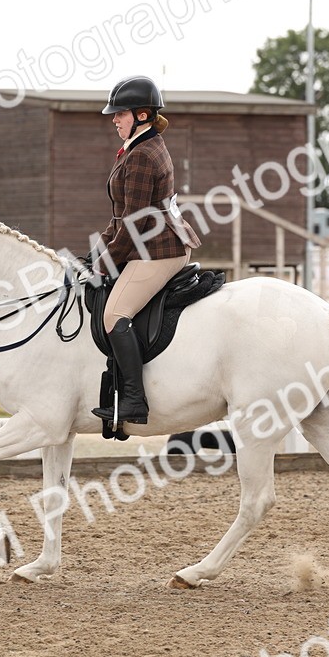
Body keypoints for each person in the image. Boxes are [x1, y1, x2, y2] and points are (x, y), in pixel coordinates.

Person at [90, 75, 201, 426]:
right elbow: (120, 215)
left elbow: (135, 223)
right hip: (149, 244)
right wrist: (98, 252)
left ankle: (134, 401)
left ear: (141, 115)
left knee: (114, 315)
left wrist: (107, 262)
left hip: (159, 250)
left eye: (119, 113)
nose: (114, 119)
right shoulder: (136, 148)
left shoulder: (142, 155)